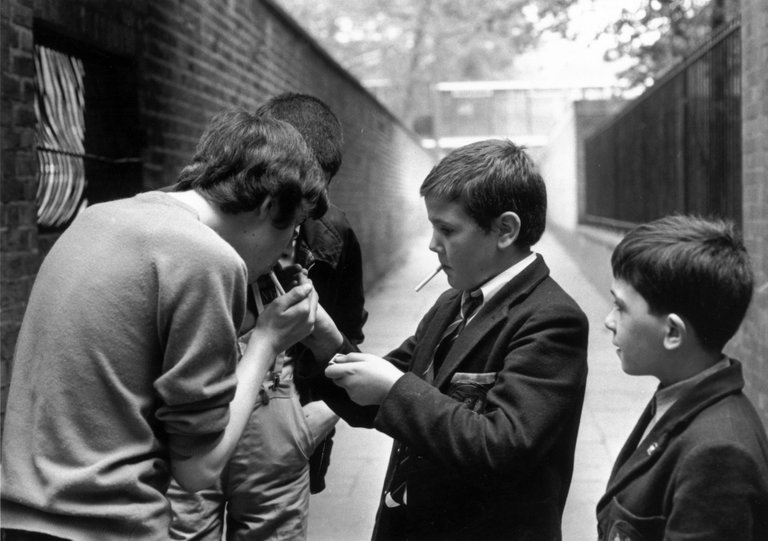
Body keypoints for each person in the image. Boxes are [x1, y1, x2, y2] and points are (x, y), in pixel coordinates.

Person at [0, 111, 328, 540]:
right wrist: (267, 340)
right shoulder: (209, 258)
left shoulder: (96, 218)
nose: (291, 246)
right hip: (109, 525)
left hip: (21, 518)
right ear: (268, 206)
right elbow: (198, 468)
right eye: (295, 228)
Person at [303, 139, 589, 540]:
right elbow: (381, 387)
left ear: (505, 230)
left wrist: (394, 390)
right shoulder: (452, 303)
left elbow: (505, 445)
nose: (433, 244)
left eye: (446, 229)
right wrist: (325, 341)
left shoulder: (551, 319)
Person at [168, 93, 367, 540]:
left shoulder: (333, 234)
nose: (302, 211)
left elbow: (349, 333)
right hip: (198, 417)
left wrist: (319, 414)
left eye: (315, 193)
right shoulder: (192, 224)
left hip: (281, 420)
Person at [596, 215, 768, 540]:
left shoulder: (718, 454)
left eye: (621, 307)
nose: (609, 320)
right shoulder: (679, 392)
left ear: (673, 332)